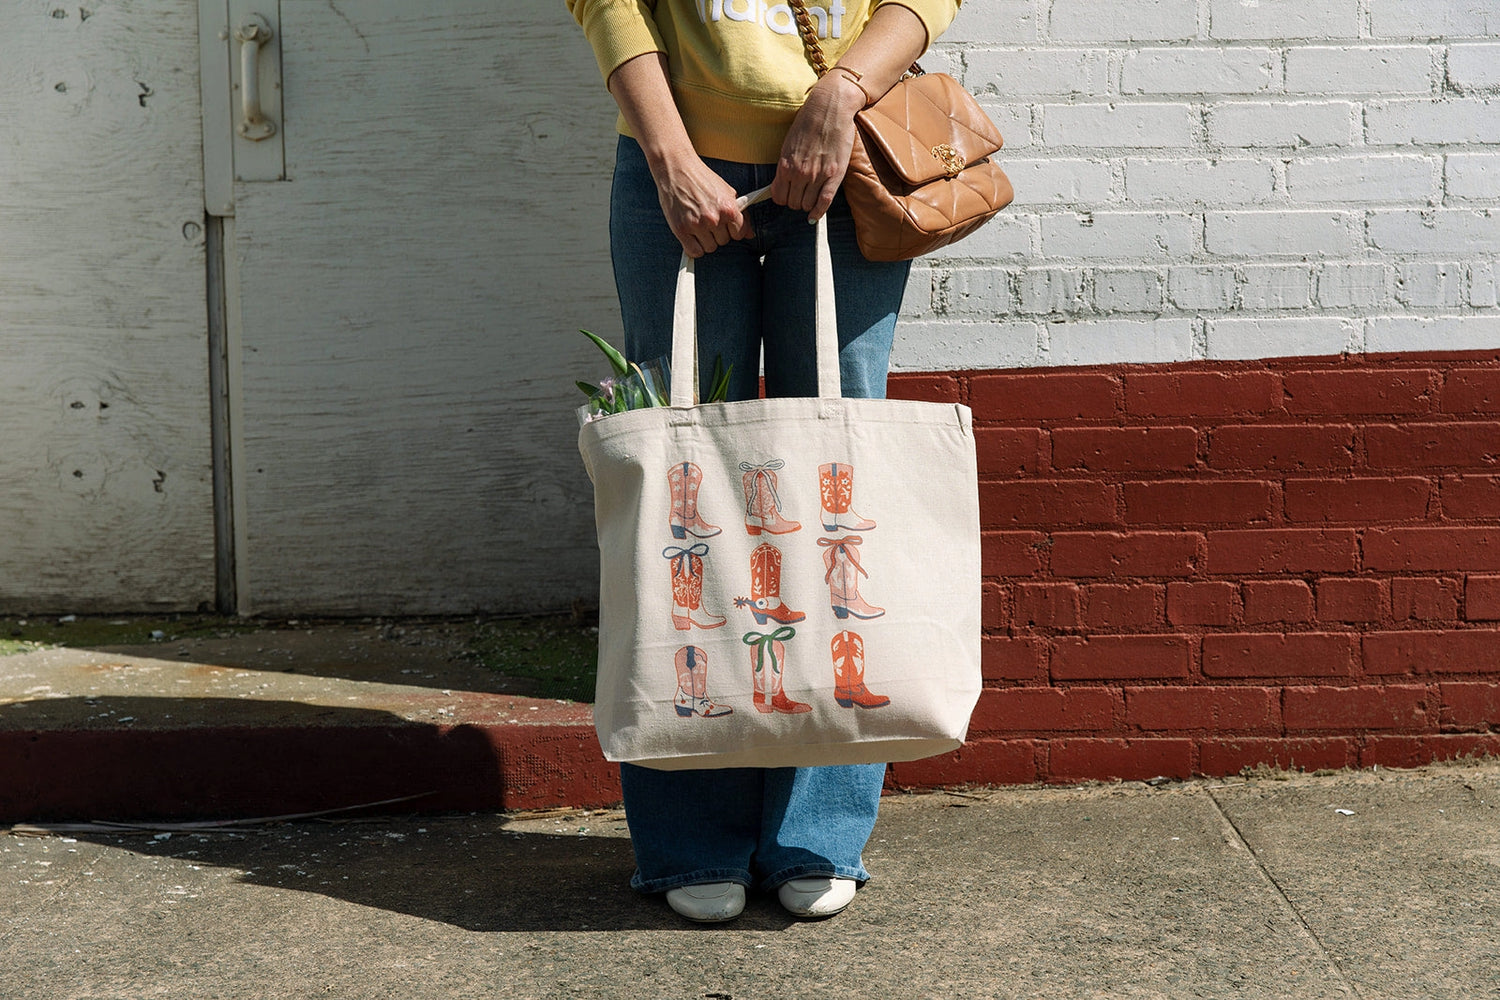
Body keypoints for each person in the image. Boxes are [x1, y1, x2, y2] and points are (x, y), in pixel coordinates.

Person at [566, 0, 962, 923]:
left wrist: (842, 92)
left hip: (850, 154)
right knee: (685, 500)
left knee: (837, 498)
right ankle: (689, 838)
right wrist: (668, 160)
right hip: (680, 159)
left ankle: (819, 829)